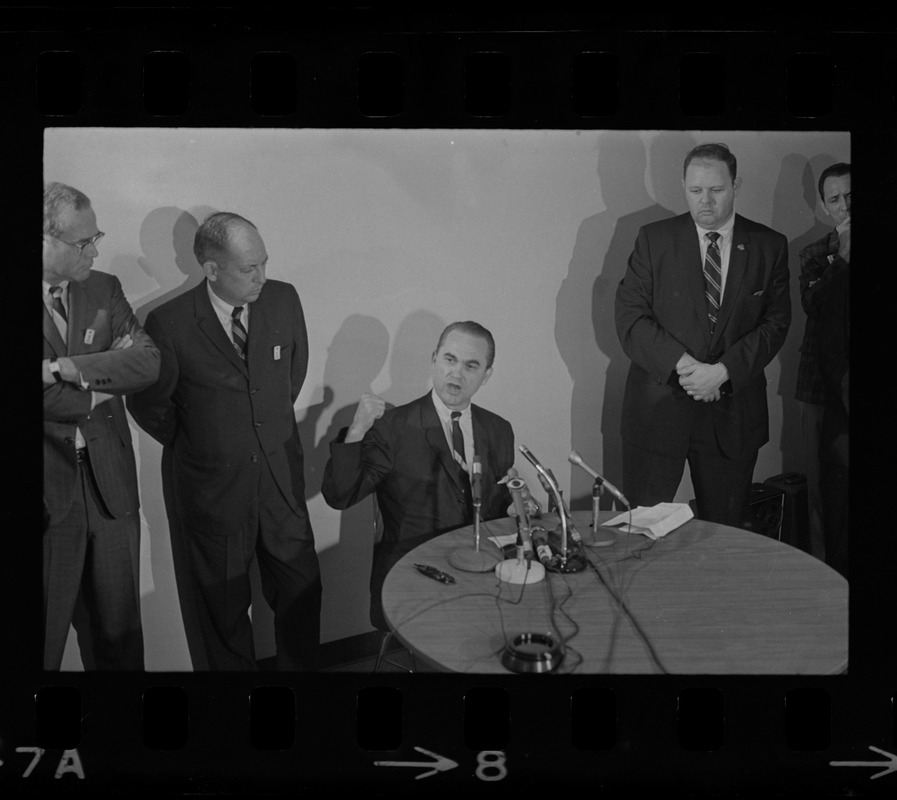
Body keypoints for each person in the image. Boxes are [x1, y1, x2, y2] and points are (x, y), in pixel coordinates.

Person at [128, 212, 321, 671]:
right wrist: (208, 445)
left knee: (301, 595)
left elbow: (291, 377)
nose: (261, 277)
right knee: (222, 614)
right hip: (213, 493)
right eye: (247, 269)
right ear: (211, 269)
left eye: (264, 263)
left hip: (280, 484)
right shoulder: (169, 323)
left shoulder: (283, 300)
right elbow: (150, 404)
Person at [615, 143, 791, 527]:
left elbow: (776, 323)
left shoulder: (769, 245)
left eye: (717, 190)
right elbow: (630, 317)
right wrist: (687, 367)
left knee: (724, 532)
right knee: (641, 533)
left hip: (732, 417)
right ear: (684, 186)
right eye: (695, 191)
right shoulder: (653, 239)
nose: (705, 202)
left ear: (735, 184)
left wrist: (723, 371)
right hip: (657, 413)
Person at [321, 321, 515, 630]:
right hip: (414, 574)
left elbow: (496, 508)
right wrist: (357, 430)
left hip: (481, 574)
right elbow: (340, 495)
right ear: (434, 358)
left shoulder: (499, 429)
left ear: (486, 375)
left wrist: (518, 505)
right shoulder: (393, 427)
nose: (457, 373)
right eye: (449, 359)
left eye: (471, 365)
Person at [42, 182, 160, 670]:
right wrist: (110, 373)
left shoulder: (104, 288)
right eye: (82, 243)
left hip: (111, 491)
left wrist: (74, 369)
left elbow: (150, 362)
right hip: (47, 500)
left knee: (121, 642)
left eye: (97, 237)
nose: (96, 249)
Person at [795, 163, 850, 564]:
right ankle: (826, 574)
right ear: (823, 207)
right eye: (835, 199)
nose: (845, 206)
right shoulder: (815, 253)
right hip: (820, 389)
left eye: (852, 195)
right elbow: (814, 306)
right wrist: (843, 258)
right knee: (822, 491)